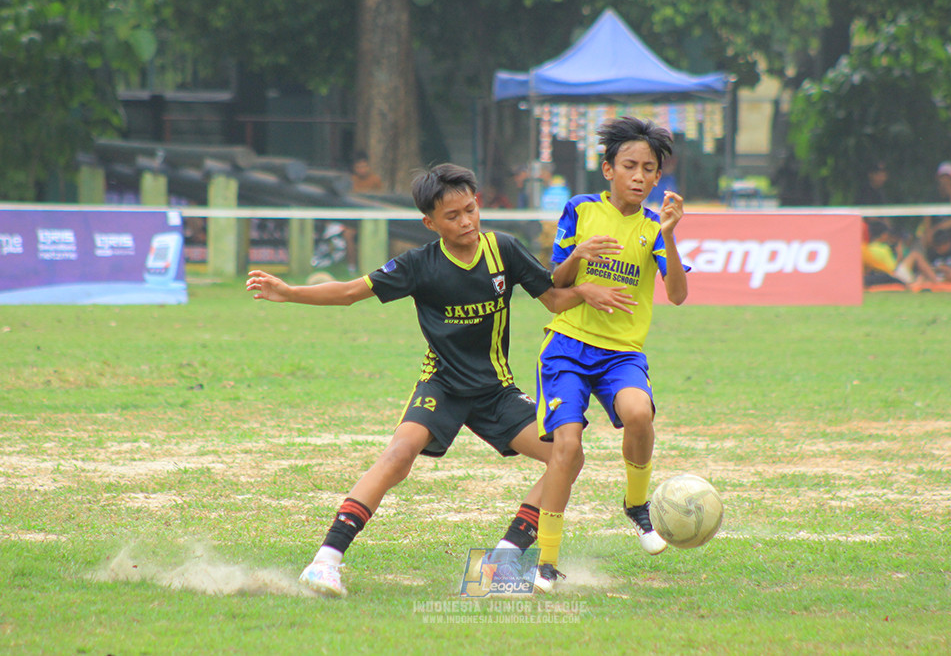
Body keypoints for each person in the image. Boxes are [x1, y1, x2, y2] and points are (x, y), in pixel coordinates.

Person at [246, 163, 634, 598]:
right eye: (453, 216)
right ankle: (325, 562)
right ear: (430, 223)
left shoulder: (504, 249)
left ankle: (504, 557)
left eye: (471, 209)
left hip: (495, 391)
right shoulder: (418, 265)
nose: (466, 221)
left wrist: (582, 286)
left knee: (568, 454)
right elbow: (352, 292)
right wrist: (291, 292)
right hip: (442, 385)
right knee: (398, 455)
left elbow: (552, 299)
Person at [532, 116, 689, 592]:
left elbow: (678, 294)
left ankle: (637, 506)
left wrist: (671, 235)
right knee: (568, 446)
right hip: (567, 346)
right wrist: (580, 263)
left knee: (639, 413)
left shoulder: (653, 226)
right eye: (629, 166)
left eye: (648, 168)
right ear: (608, 169)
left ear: (658, 177)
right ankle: (546, 560)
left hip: (621, 353)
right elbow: (553, 283)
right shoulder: (580, 209)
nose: (639, 176)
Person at [862, 220, 938, 287]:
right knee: (915, 255)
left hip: (877, 276)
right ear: (883, 235)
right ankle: (936, 281)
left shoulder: (868, 248)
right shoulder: (883, 248)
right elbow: (892, 269)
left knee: (920, 273)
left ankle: (924, 281)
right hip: (893, 277)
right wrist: (899, 255)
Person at [920, 161, 951, 248]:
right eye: (943, 177)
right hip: (935, 227)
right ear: (938, 178)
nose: (945, 180)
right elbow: (927, 215)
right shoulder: (932, 193)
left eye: (949, 178)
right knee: (924, 239)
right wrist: (928, 232)